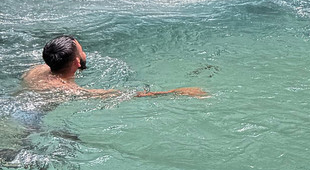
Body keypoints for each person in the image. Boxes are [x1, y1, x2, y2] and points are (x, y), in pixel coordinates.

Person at [22, 36, 208, 99]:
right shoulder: (68, 90)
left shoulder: (36, 71)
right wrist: (177, 92)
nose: (85, 53)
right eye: (82, 51)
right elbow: (125, 95)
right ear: (78, 63)